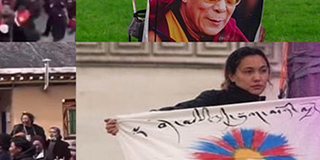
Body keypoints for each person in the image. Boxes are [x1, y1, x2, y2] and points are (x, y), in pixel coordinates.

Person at [105, 46, 271, 136]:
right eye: (248, 71)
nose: (258, 78)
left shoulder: (271, 110)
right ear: (232, 75)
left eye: (263, 71)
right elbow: (173, 114)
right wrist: (128, 123)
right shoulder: (214, 100)